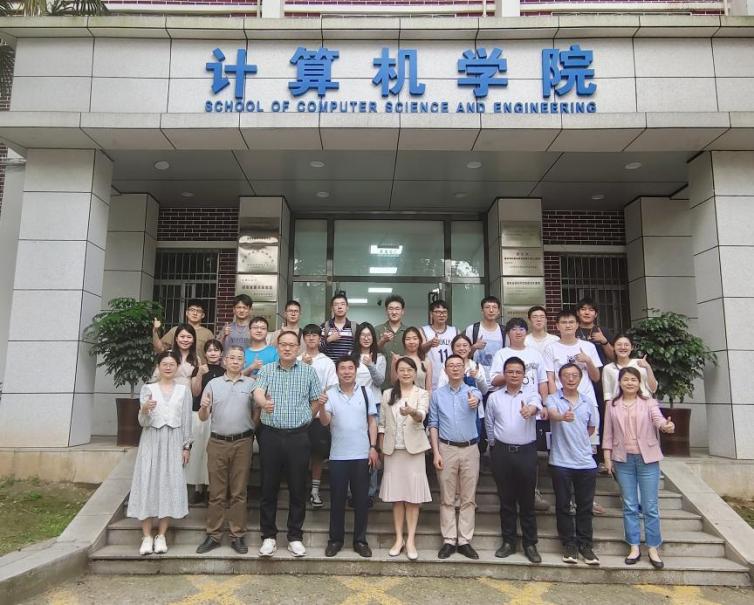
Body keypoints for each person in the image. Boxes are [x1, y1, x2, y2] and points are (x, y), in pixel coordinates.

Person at [253, 330, 323, 558]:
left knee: (297, 487)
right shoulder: (266, 370)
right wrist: (263, 403)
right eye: (283, 344)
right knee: (268, 487)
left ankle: (295, 536)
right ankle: (268, 536)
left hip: (298, 437)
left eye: (292, 345)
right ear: (277, 347)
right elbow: (258, 392)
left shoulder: (309, 372)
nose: (287, 348)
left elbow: (316, 401)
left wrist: (305, 417)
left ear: (298, 348)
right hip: (270, 435)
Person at [603, 367, 675, 569]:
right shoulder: (612, 404)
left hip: (648, 459)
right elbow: (607, 433)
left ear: (639, 382)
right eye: (626, 379)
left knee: (650, 505)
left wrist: (667, 426)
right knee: (629, 505)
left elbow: (659, 420)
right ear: (620, 382)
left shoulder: (649, 402)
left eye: (633, 379)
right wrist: (607, 458)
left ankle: (653, 547)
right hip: (623, 460)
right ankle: (634, 546)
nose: (630, 383)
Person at [127, 351, 192, 556]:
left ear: (177, 367)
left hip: (174, 441)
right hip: (151, 440)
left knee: (169, 483)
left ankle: (161, 535)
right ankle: (146, 536)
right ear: (158, 366)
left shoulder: (183, 391)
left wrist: (186, 446)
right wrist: (144, 409)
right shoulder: (148, 388)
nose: (168, 367)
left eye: (172, 364)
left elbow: (186, 421)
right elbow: (143, 422)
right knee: (147, 482)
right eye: (164, 363)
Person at [195, 346, 256, 554]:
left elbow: (257, 411)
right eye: (232, 358)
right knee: (216, 492)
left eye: (240, 358)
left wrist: (251, 428)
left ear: (243, 362)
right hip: (217, 442)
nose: (236, 361)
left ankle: (237, 535)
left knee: (239, 492)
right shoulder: (213, 384)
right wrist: (204, 407)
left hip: (242, 442)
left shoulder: (251, 384)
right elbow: (203, 416)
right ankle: (213, 535)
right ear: (225, 361)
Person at [319, 356, 379, 558]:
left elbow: (372, 421)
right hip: (338, 455)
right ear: (337, 372)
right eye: (342, 368)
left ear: (356, 370)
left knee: (361, 501)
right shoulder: (330, 393)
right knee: (337, 500)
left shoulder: (366, 391)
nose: (346, 372)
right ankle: (335, 540)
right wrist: (321, 406)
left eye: (350, 368)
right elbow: (325, 422)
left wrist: (373, 447)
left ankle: (360, 541)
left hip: (362, 454)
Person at [545, 309, 604, 513]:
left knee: (589, 448)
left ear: (577, 325)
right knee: (562, 449)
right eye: (564, 322)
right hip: (561, 403)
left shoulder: (588, 347)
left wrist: (587, 361)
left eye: (571, 322)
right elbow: (550, 377)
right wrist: (554, 402)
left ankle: (588, 499)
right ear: (557, 326)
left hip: (586, 404)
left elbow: (596, 377)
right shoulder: (551, 348)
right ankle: (567, 499)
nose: (568, 325)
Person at [485, 356, 543, 563]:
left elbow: (536, 406)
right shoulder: (494, 397)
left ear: (524, 375)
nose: (514, 375)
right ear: (504, 374)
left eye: (518, 372)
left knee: (527, 501)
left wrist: (530, 410)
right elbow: (489, 423)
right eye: (510, 371)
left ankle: (530, 544)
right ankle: (508, 542)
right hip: (502, 452)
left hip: (526, 452)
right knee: (506, 500)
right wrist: (493, 446)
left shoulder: (531, 394)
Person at [490, 317, 550, 511]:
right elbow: (493, 380)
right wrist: (513, 373)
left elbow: (542, 381)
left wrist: (544, 404)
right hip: (507, 406)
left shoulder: (535, 354)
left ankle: (534, 491)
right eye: (514, 329)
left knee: (531, 452)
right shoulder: (502, 354)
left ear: (526, 332)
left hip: (532, 407)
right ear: (508, 333)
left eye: (522, 329)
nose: (518, 332)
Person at [428, 355, 483, 560]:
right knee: (447, 497)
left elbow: (476, 399)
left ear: (464, 368)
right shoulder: (437, 395)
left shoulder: (472, 391)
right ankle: (449, 539)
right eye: (451, 365)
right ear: (445, 369)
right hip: (446, 448)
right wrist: (436, 452)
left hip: (470, 448)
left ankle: (465, 540)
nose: (455, 368)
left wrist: (474, 402)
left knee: (468, 498)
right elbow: (433, 424)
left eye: (459, 365)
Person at [546, 364, 600, 566]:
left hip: (585, 462)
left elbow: (592, 428)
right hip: (560, 461)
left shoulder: (588, 402)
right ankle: (569, 545)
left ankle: (586, 545)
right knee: (563, 505)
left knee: (585, 507)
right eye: (566, 375)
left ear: (580, 378)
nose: (571, 379)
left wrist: (579, 440)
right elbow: (552, 414)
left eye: (575, 375)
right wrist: (563, 417)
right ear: (560, 379)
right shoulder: (553, 398)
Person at [379, 357, 432, 561]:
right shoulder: (387, 394)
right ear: (396, 373)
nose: (406, 373)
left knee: (413, 497)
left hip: (414, 451)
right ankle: (398, 538)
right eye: (402, 370)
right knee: (397, 497)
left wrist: (412, 412)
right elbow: (382, 424)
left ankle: (410, 540)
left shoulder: (422, 393)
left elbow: (421, 416)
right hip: (393, 451)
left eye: (410, 370)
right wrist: (382, 448)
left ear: (415, 372)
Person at [299, 323, 338, 510]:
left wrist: (320, 405)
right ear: (303, 338)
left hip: (318, 417)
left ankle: (314, 491)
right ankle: (298, 490)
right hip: (298, 417)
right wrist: (303, 367)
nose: (311, 338)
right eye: (308, 335)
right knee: (298, 455)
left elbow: (332, 387)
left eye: (315, 335)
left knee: (317, 455)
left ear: (320, 338)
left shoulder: (327, 362)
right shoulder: (297, 359)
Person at [185, 339, 225, 504]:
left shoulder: (225, 372)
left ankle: (210, 488)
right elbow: (195, 392)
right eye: (209, 350)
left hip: (217, 416)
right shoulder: (198, 369)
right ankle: (197, 488)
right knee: (197, 453)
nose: (213, 353)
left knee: (211, 455)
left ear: (221, 353)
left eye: (216, 350)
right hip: (198, 415)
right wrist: (200, 373)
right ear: (205, 353)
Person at [355, 322, 387, 505]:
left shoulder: (379, 357)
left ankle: (370, 491)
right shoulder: (351, 356)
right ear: (358, 337)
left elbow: (380, 381)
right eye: (363, 335)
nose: (366, 338)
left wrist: (370, 365)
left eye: (369, 335)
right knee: (355, 447)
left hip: (374, 404)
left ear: (373, 338)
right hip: (353, 405)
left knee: (372, 447)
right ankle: (353, 491)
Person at [602, 334, 658, 404]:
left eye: (626, 345)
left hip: (643, 405)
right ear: (613, 347)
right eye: (619, 345)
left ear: (632, 347)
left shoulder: (640, 364)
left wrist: (648, 367)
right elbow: (608, 394)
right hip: (619, 407)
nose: (623, 347)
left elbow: (653, 389)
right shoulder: (608, 368)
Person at [465, 296, 506, 383]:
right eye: (487, 307)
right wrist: (474, 347)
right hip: (476, 378)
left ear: (499, 311)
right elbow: (464, 355)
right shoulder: (472, 329)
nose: (491, 310)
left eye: (494, 307)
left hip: (498, 380)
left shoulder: (504, 331)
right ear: (482, 310)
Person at [421, 300, 458, 391]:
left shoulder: (455, 331)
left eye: (444, 312)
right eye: (437, 312)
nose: (441, 315)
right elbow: (419, 351)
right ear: (431, 314)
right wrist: (429, 344)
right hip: (430, 378)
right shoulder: (423, 331)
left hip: (451, 377)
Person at [376, 295, 407, 391]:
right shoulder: (377, 329)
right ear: (386, 311)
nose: (394, 312)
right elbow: (371, 352)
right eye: (391, 309)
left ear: (402, 311)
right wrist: (382, 341)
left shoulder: (409, 331)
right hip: (382, 383)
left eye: (397, 309)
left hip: (405, 382)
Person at [390, 327, 432, 391]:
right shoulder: (399, 359)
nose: (411, 342)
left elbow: (429, 388)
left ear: (419, 341)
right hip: (403, 396)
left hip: (421, 397)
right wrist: (394, 363)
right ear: (404, 342)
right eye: (408, 339)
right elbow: (394, 382)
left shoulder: (426, 361)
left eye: (415, 338)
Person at [320, 292, 357, 362]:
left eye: (343, 304)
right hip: (329, 367)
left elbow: (359, 349)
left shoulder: (355, 327)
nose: (339, 307)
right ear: (332, 308)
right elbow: (317, 348)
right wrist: (328, 340)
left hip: (348, 367)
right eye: (336, 304)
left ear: (347, 307)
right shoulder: (324, 327)